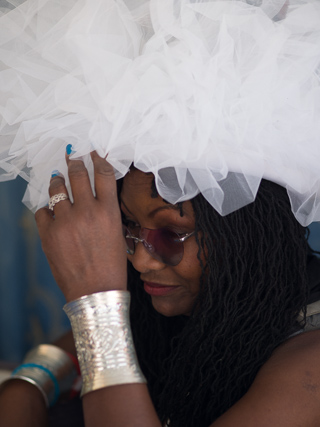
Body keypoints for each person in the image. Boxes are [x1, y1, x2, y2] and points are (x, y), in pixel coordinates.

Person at [0, 1, 320, 426]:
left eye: (171, 232)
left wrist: (95, 301)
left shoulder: (310, 365)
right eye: (129, 226)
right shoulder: (199, 304)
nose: (140, 258)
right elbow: (76, 347)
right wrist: (29, 382)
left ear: (252, 237)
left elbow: (104, 337)